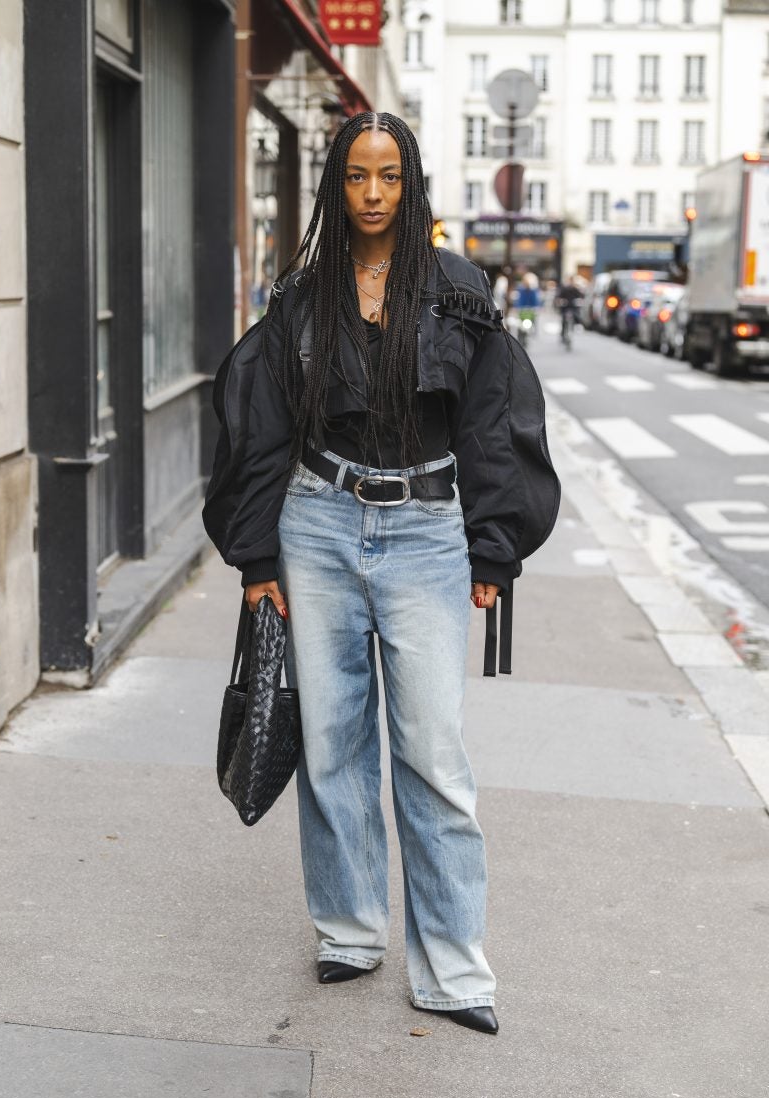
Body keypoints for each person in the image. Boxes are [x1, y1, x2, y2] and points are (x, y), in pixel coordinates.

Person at [203, 112, 532, 1036]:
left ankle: (456, 968)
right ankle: (349, 928)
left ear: (410, 181)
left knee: (432, 753)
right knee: (334, 742)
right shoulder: (303, 297)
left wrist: (495, 548)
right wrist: (257, 556)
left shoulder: (459, 289)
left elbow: (494, 419)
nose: (374, 193)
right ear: (336, 186)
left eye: (389, 176)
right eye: (357, 176)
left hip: (428, 533)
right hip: (316, 523)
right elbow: (262, 428)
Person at [555, 278, 584, 343]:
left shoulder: (576, 289)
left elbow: (580, 297)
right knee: (564, 320)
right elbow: (559, 297)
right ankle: (562, 334)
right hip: (565, 308)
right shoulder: (564, 289)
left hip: (573, 308)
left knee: (576, 316)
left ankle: (578, 326)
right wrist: (560, 301)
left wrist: (579, 301)